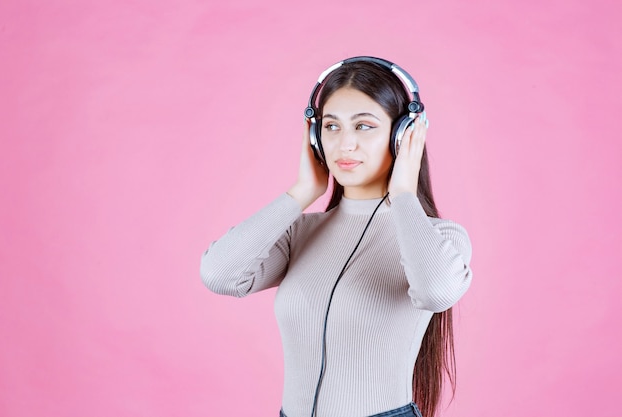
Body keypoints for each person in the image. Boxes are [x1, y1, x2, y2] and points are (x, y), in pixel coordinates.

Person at [200, 56, 473, 417]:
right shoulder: (301, 232)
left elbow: (436, 291)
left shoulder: (440, 237)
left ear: (403, 134)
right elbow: (221, 275)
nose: (344, 144)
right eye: (331, 126)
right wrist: (300, 193)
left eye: (363, 126)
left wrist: (404, 193)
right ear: (314, 136)